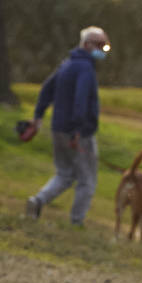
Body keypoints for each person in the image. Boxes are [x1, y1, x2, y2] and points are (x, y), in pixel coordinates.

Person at [25, 27, 109, 225]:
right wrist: (78, 130)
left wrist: (38, 116)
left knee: (64, 173)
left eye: (105, 46)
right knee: (87, 180)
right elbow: (80, 101)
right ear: (87, 44)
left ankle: (37, 201)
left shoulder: (67, 64)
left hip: (58, 128)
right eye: (100, 45)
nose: (103, 50)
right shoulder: (85, 68)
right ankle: (76, 221)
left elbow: (46, 89)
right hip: (78, 133)